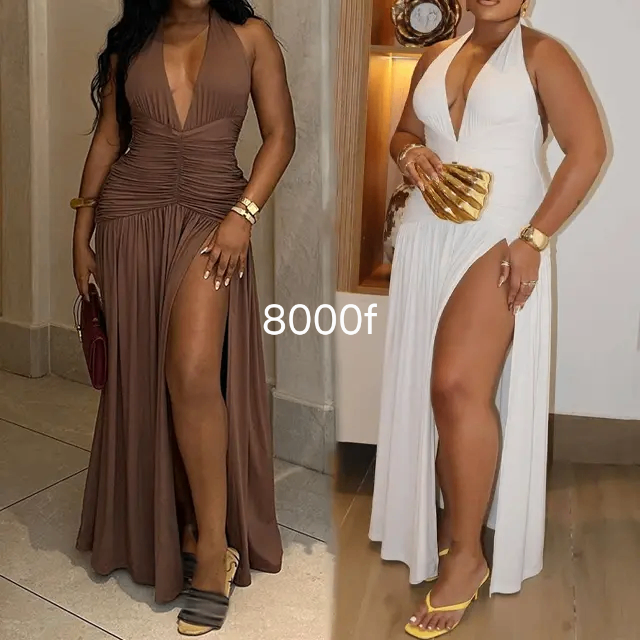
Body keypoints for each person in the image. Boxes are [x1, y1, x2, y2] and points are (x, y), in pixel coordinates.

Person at [369, 1, 606, 638]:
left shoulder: (543, 55)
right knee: (439, 393)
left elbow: (588, 151)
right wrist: (409, 156)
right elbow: (403, 132)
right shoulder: (433, 54)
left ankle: (468, 556)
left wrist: (535, 238)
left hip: (501, 234)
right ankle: (454, 523)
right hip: (427, 232)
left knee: (455, 387)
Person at [71, 0, 295, 634]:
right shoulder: (132, 42)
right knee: (146, 374)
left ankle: (212, 553)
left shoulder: (251, 37)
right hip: (131, 216)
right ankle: (177, 525)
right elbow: (109, 138)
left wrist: (243, 215)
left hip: (215, 213)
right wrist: (81, 231)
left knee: (193, 372)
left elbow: (280, 135)